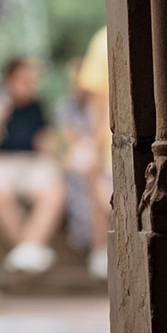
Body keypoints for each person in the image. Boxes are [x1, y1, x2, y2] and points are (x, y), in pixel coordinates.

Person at [0, 51, 67, 273]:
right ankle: (29, 250)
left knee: (53, 194)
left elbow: (45, 141)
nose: (30, 84)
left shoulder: (37, 106)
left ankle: (25, 251)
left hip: (32, 164)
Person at [71, 22, 111, 282]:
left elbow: (96, 102)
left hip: (109, 139)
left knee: (100, 189)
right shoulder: (104, 39)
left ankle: (99, 251)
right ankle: (98, 250)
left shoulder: (104, 38)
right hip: (109, 140)